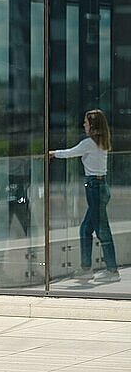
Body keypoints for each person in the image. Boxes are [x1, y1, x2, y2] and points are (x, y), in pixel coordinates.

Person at [50, 109, 120, 283]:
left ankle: (112, 270)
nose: (84, 125)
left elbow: (70, 152)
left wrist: (52, 153)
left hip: (95, 188)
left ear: (93, 125)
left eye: (86, 122)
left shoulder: (89, 143)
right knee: (86, 229)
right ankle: (87, 268)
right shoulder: (102, 142)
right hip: (100, 186)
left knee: (102, 230)